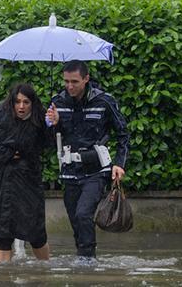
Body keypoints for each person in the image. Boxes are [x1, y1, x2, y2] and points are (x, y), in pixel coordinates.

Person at [46, 60, 129, 262]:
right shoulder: (57, 102)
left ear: (86, 78)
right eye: (66, 81)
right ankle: (83, 258)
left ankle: (87, 261)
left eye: (74, 81)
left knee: (84, 214)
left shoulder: (104, 101)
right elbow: (49, 141)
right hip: (69, 171)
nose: (70, 86)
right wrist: (53, 124)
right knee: (76, 220)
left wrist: (119, 163)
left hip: (96, 170)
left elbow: (123, 134)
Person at [0, 83, 51, 263]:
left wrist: (53, 124)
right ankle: (4, 277)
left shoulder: (42, 117)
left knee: (36, 232)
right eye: (17, 102)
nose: (21, 106)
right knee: (2, 232)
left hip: (28, 179)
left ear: (32, 103)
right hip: (2, 178)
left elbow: (48, 144)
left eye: (26, 102)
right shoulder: (0, 113)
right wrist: (6, 153)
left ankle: (45, 270)